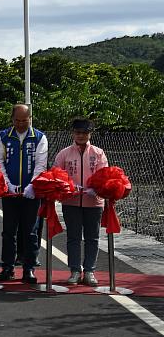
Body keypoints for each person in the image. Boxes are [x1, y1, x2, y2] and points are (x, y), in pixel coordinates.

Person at [0, 104, 47, 284]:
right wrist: (7, 184)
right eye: (17, 120)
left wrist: (32, 186)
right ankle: (7, 268)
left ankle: (29, 268)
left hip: (32, 193)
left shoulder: (39, 137)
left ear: (30, 119)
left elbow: (41, 164)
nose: (20, 124)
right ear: (12, 119)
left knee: (31, 231)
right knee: (9, 231)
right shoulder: (3, 136)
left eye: (24, 120)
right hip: (10, 193)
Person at [54, 118, 108, 287]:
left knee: (92, 237)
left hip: (94, 201)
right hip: (71, 201)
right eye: (78, 132)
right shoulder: (64, 153)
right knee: (73, 237)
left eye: (84, 133)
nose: (81, 136)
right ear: (73, 133)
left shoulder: (98, 153)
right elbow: (56, 174)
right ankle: (75, 270)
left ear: (90, 134)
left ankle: (90, 270)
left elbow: (104, 175)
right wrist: (68, 187)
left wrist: (96, 189)